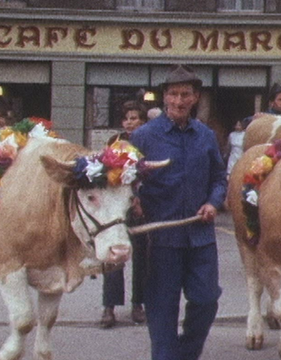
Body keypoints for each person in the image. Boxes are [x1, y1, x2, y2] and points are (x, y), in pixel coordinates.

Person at [130, 64, 227, 360]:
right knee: (161, 311)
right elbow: (124, 179)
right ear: (164, 97)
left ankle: (184, 354)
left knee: (207, 300)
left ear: (195, 97)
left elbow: (219, 178)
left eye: (185, 94)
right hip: (160, 240)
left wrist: (213, 201)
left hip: (200, 236)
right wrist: (134, 197)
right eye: (173, 94)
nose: (179, 101)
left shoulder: (205, 136)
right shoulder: (144, 136)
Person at [100, 100, 148, 328]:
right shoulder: (114, 144)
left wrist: (141, 199)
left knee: (141, 258)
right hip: (117, 209)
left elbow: (150, 176)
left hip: (141, 207)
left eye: (135, 118)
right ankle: (109, 307)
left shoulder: (149, 142)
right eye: (127, 118)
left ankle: (138, 303)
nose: (130, 123)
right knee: (113, 258)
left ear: (143, 121)